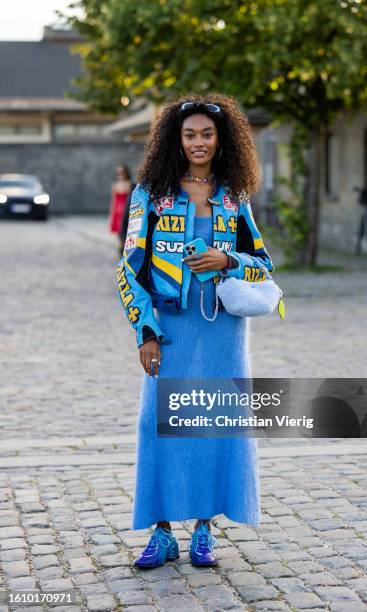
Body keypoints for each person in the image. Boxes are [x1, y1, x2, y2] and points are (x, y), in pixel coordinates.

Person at [116, 93, 274, 569]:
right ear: (175, 139)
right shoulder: (152, 193)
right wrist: (144, 330)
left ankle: (205, 529)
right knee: (158, 425)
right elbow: (129, 269)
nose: (199, 142)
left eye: (207, 134)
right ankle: (161, 534)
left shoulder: (234, 196)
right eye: (190, 135)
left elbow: (263, 265)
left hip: (224, 332)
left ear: (221, 139)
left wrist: (229, 260)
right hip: (170, 329)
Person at [108, 163, 132, 252]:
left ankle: (125, 249)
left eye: (122, 172)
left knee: (125, 231)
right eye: (118, 173)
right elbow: (113, 201)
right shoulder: (115, 185)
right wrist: (111, 214)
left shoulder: (129, 184)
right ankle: (121, 249)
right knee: (118, 232)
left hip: (126, 211)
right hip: (117, 212)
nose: (120, 175)